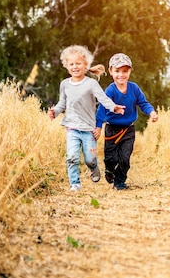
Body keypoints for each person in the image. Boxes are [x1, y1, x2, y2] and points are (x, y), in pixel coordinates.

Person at [49, 45, 125, 192]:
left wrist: (114, 107)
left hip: (88, 129)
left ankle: (93, 167)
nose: (75, 67)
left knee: (89, 159)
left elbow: (103, 99)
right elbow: (62, 103)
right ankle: (75, 184)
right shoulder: (64, 84)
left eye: (78, 63)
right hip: (71, 128)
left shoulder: (91, 83)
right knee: (72, 157)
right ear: (66, 66)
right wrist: (55, 112)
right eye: (71, 64)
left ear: (85, 65)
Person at [94, 53, 158, 190]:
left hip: (128, 130)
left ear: (130, 71)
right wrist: (98, 126)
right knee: (111, 158)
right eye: (117, 71)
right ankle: (109, 169)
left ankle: (119, 182)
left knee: (125, 158)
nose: (121, 75)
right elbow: (102, 109)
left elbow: (143, 103)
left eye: (125, 71)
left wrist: (151, 112)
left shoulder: (134, 89)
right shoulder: (110, 91)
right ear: (110, 71)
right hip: (112, 129)